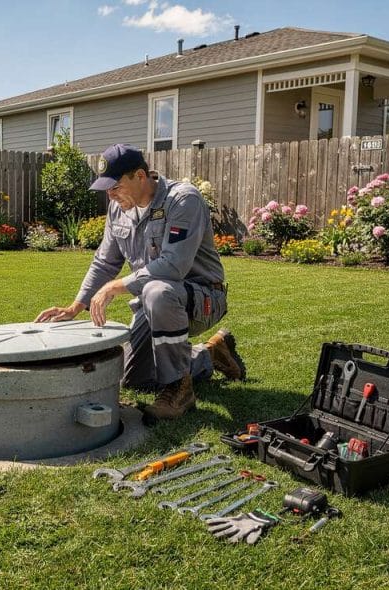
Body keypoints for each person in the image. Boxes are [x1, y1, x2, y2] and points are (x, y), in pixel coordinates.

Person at [35, 143, 246, 423]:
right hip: (152, 305)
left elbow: (173, 265)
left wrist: (115, 286)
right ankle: (210, 354)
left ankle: (179, 390)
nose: (110, 194)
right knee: (133, 378)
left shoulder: (183, 200)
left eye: (115, 186)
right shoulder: (117, 210)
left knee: (157, 290)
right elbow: (104, 262)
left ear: (140, 176)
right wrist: (76, 306)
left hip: (203, 299)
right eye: (106, 188)